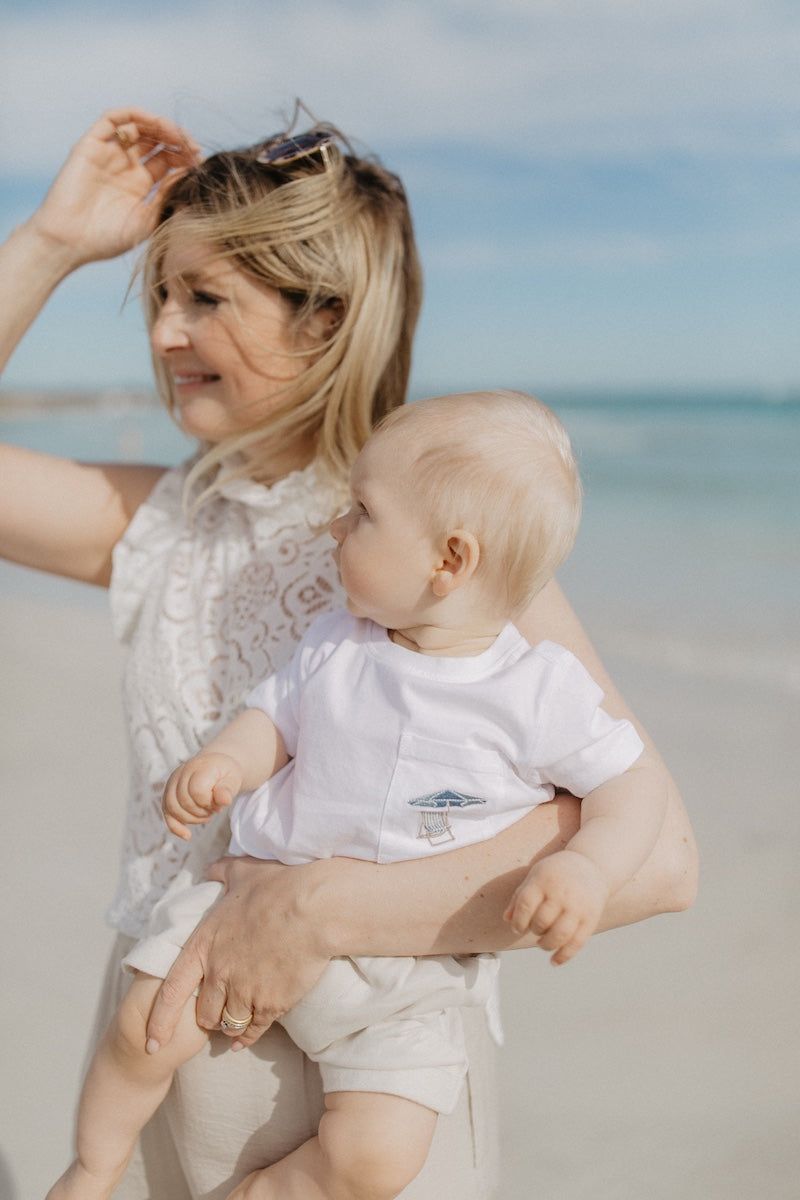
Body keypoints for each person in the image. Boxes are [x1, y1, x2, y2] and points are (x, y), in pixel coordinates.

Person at [0, 107, 698, 1200]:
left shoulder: (439, 563)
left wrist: (315, 908)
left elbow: (658, 859)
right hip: (157, 1037)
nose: (163, 335)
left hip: (358, 1092)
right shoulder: (161, 521)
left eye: (206, 300)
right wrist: (48, 242)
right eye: (160, 296)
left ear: (323, 320)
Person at [48, 389, 656, 1200]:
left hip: (409, 965)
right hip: (248, 900)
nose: (334, 527)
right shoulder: (338, 642)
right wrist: (227, 762)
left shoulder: (537, 688)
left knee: (379, 1155)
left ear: (449, 561)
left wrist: (588, 869)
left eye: (361, 513)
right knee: (144, 1026)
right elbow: (274, 717)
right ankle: (94, 1166)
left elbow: (629, 792)